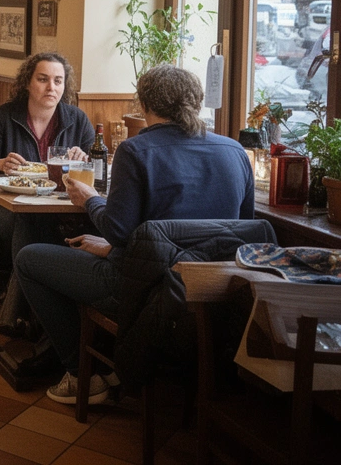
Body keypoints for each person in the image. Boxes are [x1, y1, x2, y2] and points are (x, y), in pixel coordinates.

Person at [15, 65, 254, 405]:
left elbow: (119, 230)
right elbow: (242, 229)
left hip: (144, 288)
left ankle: (82, 374)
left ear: (144, 104)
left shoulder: (136, 150)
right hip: (216, 290)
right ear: (197, 102)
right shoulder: (235, 151)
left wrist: (90, 200)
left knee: (28, 259)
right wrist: (113, 247)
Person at [0, 52, 95, 331]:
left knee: (49, 223)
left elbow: (96, 169)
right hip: (0, 208)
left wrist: (84, 160)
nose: (51, 87)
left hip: (58, 208)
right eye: (43, 79)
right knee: (32, 220)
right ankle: (33, 317)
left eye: (58, 81)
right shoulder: (3, 117)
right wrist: (0, 164)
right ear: (27, 82)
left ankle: (28, 317)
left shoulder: (77, 119)